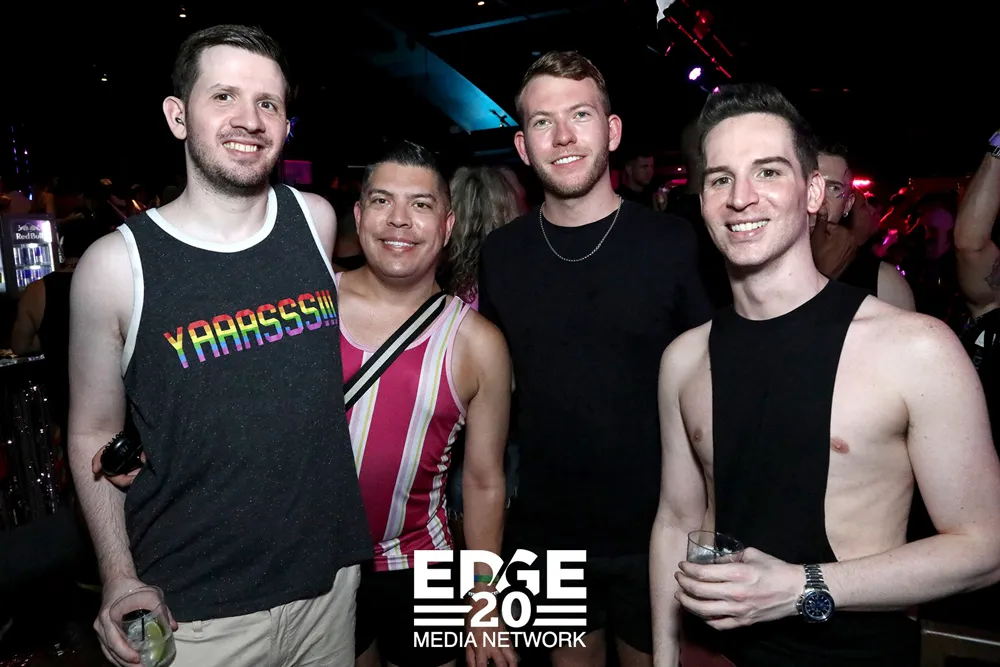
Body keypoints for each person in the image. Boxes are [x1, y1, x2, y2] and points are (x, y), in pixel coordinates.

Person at [649, 83, 1000, 667]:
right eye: (720, 179)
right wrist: (664, 658)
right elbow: (675, 520)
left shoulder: (916, 348)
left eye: (768, 172)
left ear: (813, 192)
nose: (741, 198)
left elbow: (986, 547)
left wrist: (800, 586)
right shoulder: (683, 359)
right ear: (703, 199)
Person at [68, 24, 371, 667]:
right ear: (178, 116)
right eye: (224, 96)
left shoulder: (314, 221)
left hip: (327, 589)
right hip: (194, 613)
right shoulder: (116, 267)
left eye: (268, 103)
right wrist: (118, 575)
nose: (250, 120)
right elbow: (92, 433)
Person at [478, 51, 711, 667]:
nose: (563, 136)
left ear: (611, 131)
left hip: (657, 531)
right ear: (523, 146)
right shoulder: (502, 254)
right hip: (547, 535)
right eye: (542, 122)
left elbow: (710, 390)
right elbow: (490, 410)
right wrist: (482, 584)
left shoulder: (671, 242)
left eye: (580, 115)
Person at [341, 141, 514, 667]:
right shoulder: (308, 307)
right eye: (382, 201)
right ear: (359, 215)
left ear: (447, 225)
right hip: (317, 564)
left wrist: (485, 600)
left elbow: (483, 482)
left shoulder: (478, 343)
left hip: (424, 563)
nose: (399, 219)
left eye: (420, 204)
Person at [809, 142, 915, 310]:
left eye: (834, 188)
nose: (819, 198)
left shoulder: (883, 282)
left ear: (847, 205)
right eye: (810, 184)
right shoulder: (763, 264)